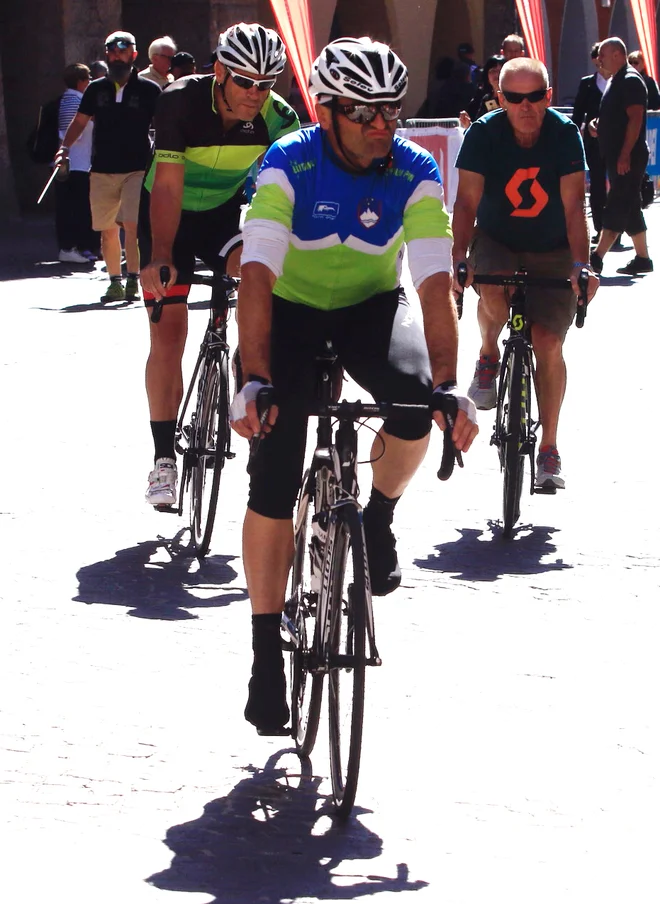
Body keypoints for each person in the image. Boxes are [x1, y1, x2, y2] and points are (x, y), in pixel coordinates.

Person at [229, 36, 479, 735]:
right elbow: (256, 276)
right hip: (291, 314)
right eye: (365, 111)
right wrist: (254, 379)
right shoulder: (289, 162)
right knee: (274, 475)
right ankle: (263, 655)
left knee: (411, 403)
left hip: (372, 309)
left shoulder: (415, 168)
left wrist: (451, 386)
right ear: (329, 109)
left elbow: (433, 283)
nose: (382, 125)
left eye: (391, 111)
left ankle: (379, 515)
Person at [138, 23, 299, 507]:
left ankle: (244, 371)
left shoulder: (279, 118)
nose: (256, 94)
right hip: (166, 219)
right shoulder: (181, 100)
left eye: (266, 84)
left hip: (222, 218)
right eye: (246, 81)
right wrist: (161, 255)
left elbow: (295, 188)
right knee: (169, 334)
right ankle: (164, 459)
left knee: (259, 277)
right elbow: (166, 187)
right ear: (222, 70)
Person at [452, 57, 598, 492]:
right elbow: (465, 204)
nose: (525, 106)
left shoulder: (564, 133)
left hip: (552, 246)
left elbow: (574, 208)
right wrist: (460, 258)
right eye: (514, 98)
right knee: (493, 295)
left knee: (547, 341)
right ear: (501, 98)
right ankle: (487, 354)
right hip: (497, 238)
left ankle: (549, 448)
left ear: (548, 97)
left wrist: (580, 264)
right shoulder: (483, 133)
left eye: (535, 96)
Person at [57, 31, 161, 302]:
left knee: (132, 224)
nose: (117, 55)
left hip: (137, 167)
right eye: (112, 51)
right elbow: (80, 122)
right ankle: (115, 281)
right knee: (107, 230)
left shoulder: (149, 90)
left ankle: (133, 280)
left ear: (134, 55)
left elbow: (163, 126)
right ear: (107, 55)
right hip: (101, 167)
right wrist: (64, 149)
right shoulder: (96, 89)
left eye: (123, 50)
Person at [590, 38, 653, 276]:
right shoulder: (614, 81)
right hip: (617, 154)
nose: (600, 59)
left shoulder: (630, 80)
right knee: (630, 205)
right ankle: (642, 258)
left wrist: (625, 153)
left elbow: (636, 118)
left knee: (617, 203)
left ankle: (596, 256)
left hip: (628, 156)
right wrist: (600, 125)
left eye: (604, 55)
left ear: (617, 54)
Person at [56, 63, 98, 263]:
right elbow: (71, 134)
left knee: (79, 208)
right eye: (88, 78)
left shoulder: (71, 98)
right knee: (78, 209)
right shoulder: (75, 100)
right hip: (76, 163)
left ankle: (81, 248)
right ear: (81, 81)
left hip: (79, 163)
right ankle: (74, 248)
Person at [572, 42, 608, 242]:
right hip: (594, 141)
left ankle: (615, 228)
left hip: (616, 141)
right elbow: (578, 112)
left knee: (618, 185)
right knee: (597, 184)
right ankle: (601, 228)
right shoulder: (587, 83)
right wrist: (575, 133)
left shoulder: (620, 82)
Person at [459, 54, 504, 128]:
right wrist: (468, 125)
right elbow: (479, 125)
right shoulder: (486, 98)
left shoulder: (511, 97)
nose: (496, 74)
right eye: (493, 71)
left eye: (500, 71)